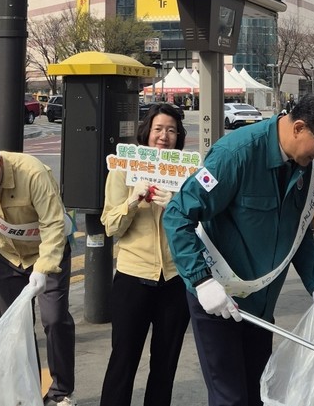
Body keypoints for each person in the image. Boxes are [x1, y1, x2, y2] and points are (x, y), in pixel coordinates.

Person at [163, 91, 314, 406]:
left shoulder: (303, 167)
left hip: (261, 304)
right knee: (230, 398)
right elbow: (177, 214)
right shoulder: (235, 155)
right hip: (219, 299)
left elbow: (299, 233)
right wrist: (201, 280)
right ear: (299, 128)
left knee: (258, 393)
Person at [0, 132, 76, 406]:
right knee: (16, 330)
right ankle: (26, 392)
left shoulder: (32, 173)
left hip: (47, 255)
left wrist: (43, 268)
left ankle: (61, 392)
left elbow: (53, 224)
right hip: (9, 257)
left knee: (54, 320)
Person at [99, 104, 190, 406]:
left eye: (172, 130)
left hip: (175, 280)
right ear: (147, 131)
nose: (164, 136)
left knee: (165, 365)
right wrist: (133, 201)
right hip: (132, 279)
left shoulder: (185, 173)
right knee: (123, 361)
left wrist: (176, 205)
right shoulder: (123, 169)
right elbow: (111, 226)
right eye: (158, 129)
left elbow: (199, 224)